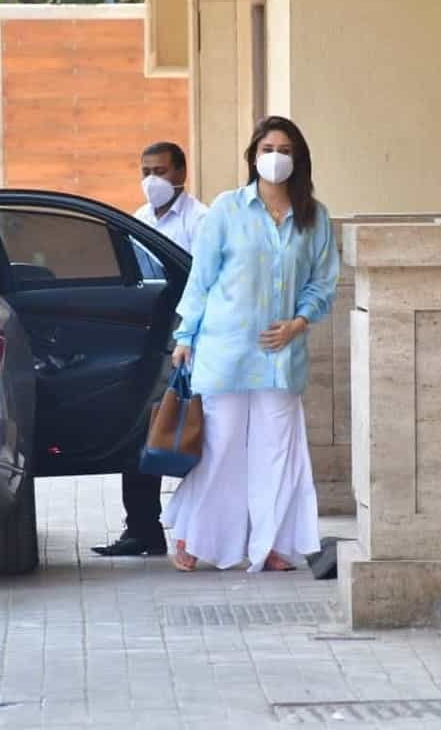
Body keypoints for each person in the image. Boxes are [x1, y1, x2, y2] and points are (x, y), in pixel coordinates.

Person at [163, 116, 340, 573]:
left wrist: (298, 324)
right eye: (267, 148)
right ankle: (194, 537)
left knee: (278, 452)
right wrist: (185, 336)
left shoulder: (314, 218)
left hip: (281, 356)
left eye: (284, 149)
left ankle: (275, 544)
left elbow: (323, 283)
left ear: (297, 159)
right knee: (220, 448)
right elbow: (200, 279)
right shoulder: (227, 209)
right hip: (226, 351)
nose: (275, 157)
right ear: (253, 156)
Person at [91, 141, 209, 558]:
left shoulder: (201, 222)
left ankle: (200, 531)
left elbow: (204, 285)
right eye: (145, 172)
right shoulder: (140, 219)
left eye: (160, 171)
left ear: (181, 174)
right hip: (149, 341)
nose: (152, 181)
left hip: (187, 344)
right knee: (142, 432)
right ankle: (141, 527)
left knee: (189, 434)